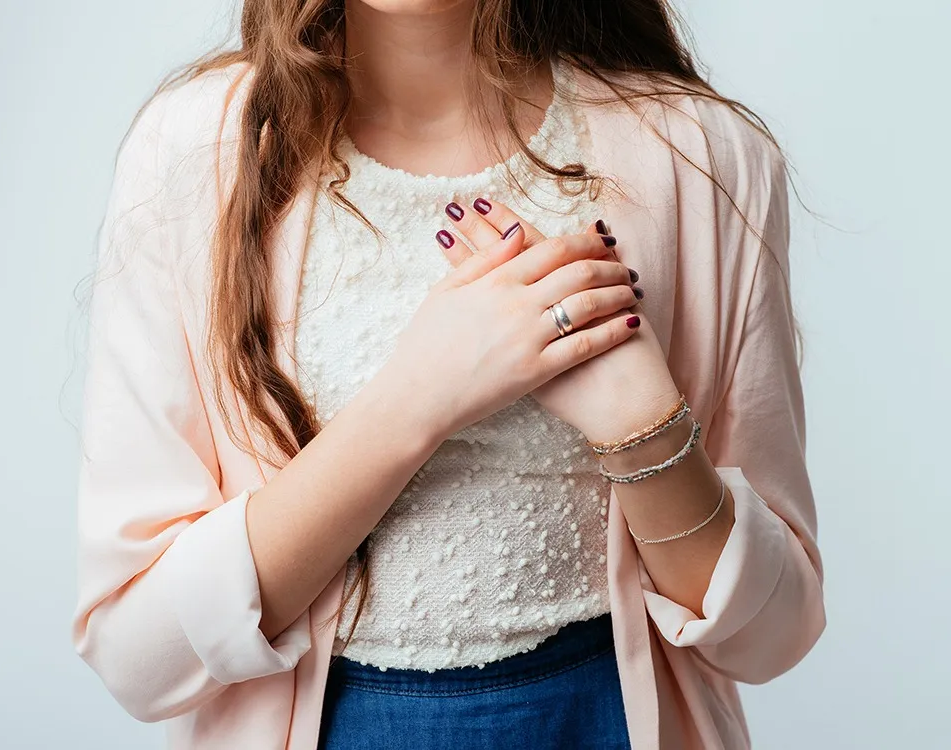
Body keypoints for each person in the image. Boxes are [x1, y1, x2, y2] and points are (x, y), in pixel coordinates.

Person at [71, 1, 825, 748]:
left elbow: (773, 637)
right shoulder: (191, 154)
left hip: (603, 723)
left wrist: (640, 426)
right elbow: (139, 654)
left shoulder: (703, 153)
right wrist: (420, 399)